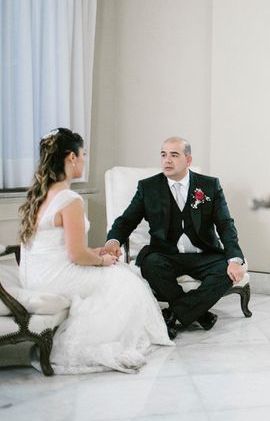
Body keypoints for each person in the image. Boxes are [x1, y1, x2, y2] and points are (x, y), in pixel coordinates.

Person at [18, 128, 173, 374]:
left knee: (116, 270)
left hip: (36, 274)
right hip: (55, 276)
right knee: (123, 278)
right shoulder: (70, 199)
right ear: (71, 158)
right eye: (83, 154)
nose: (84, 160)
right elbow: (76, 255)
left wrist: (98, 252)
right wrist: (103, 262)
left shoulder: (41, 194)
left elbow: (63, 248)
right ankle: (106, 341)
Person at [103, 136, 245, 339]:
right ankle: (198, 314)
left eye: (174, 155)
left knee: (227, 271)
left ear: (188, 160)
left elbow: (225, 225)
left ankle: (172, 314)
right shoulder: (148, 187)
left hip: (203, 254)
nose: (167, 160)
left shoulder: (209, 186)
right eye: (163, 155)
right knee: (150, 264)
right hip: (165, 255)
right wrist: (113, 241)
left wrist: (234, 260)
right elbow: (126, 220)